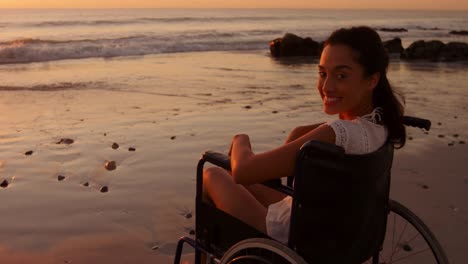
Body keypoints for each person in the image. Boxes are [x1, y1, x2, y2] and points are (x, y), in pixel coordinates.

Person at [202, 26, 406, 244]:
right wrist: (298, 134)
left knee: (212, 174)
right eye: (322, 74)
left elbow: (243, 171)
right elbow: (324, 132)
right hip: (339, 231)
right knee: (233, 173)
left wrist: (240, 139)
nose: (327, 86)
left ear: (371, 81)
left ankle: (212, 251)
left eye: (341, 75)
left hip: (295, 237)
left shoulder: (336, 133)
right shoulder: (381, 125)